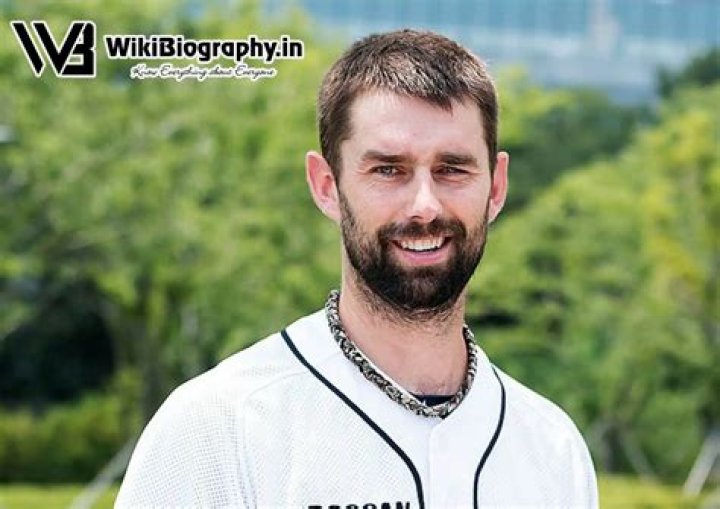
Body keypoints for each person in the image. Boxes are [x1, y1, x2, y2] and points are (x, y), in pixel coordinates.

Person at [116, 29, 598, 508]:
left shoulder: (552, 448)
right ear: (326, 186)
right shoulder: (218, 426)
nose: (425, 206)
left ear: (496, 187)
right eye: (388, 169)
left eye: (452, 169)